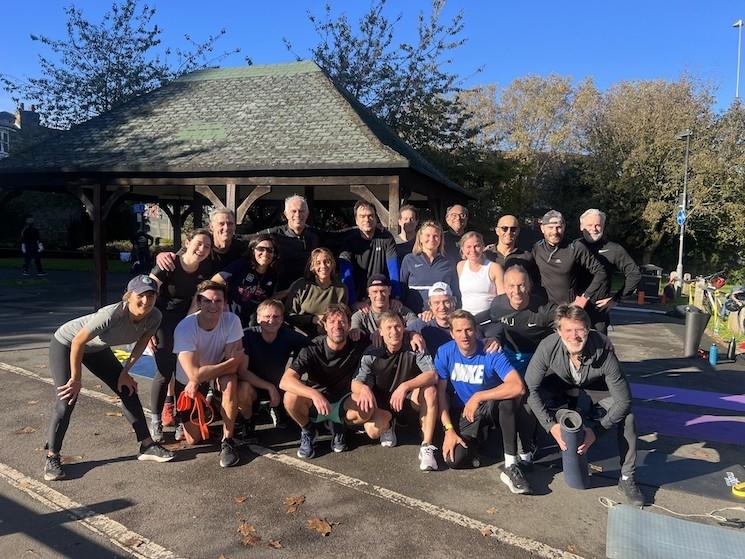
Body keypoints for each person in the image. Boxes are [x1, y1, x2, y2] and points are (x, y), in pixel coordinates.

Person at [44, 275, 174, 481]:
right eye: (141, 295)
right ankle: (52, 456)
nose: (146, 301)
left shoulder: (154, 316)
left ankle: (147, 445)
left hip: (96, 349)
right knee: (67, 399)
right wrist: (76, 379)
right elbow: (78, 342)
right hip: (67, 343)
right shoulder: (111, 314)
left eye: (151, 296)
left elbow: (142, 343)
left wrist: (125, 372)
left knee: (127, 388)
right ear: (129, 297)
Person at [525, 304, 644, 506]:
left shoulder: (604, 350)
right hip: (562, 385)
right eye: (568, 330)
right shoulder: (548, 346)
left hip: (596, 389)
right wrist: (549, 425)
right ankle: (525, 455)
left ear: (588, 329)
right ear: (558, 331)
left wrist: (596, 431)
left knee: (628, 416)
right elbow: (531, 388)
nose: (574, 336)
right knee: (525, 402)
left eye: (579, 329)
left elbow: (624, 400)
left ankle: (626, 478)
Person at [173, 280, 269, 467]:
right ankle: (215, 406)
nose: (213, 305)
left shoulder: (231, 320)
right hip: (187, 381)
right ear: (199, 303)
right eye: (208, 301)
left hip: (218, 373)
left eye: (218, 301)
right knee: (194, 440)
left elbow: (233, 368)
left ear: (225, 303)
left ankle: (228, 440)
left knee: (231, 382)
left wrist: (220, 368)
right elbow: (193, 374)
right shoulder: (185, 328)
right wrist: (230, 362)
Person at [435, 310, 531, 494]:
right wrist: (449, 430)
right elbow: (441, 396)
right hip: (466, 414)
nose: (465, 335)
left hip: (490, 408)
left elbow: (518, 387)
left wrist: (478, 396)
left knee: (508, 399)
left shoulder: (490, 350)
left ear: (476, 330)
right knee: (453, 459)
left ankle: (511, 465)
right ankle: (485, 447)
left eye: (469, 330)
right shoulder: (445, 352)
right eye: (459, 331)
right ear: (452, 333)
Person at [280, 304, 387, 458]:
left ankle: (339, 425)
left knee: (366, 406)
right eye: (332, 321)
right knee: (290, 397)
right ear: (324, 325)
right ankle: (308, 430)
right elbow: (285, 381)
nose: (337, 326)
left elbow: (389, 338)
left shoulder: (357, 342)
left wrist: (411, 335)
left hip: (344, 400)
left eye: (342, 321)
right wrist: (314, 394)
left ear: (349, 325)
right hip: (316, 401)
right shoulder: (312, 347)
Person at [484, 265, 555, 468]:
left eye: (522, 285)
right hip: (508, 359)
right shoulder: (498, 304)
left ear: (529, 286)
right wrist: (493, 337)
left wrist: (597, 336)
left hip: (534, 361)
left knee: (528, 402)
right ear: (504, 287)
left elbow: (570, 321)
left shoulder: (543, 308)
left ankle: (526, 448)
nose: (517, 291)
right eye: (512, 286)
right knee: (507, 402)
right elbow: (489, 322)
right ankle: (510, 459)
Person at [149, 228, 214, 443]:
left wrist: (187, 328)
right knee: (164, 372)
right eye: (199, 243)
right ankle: (156, 420)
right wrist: (147, 330)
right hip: (161, 321)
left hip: (185, 322)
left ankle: (180, 418)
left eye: (207, 246)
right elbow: (147, 293)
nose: (202, 249)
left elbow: (197, 299)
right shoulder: (168, 263)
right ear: (187, 242)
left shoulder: (205, 268)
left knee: (183, 372)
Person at [354, 311, 439, 471]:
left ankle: (427, 446)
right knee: (373, 432)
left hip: (407, 398)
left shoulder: (415, 345)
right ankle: (389, 423)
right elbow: (356, 383)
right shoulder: (371, 353)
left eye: (398, 326)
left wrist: (404, 386)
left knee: (430, 391)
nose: (394, 332)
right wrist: (364, 388)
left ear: (404, 328)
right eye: (389, 328)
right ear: (380, 331)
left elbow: (432, 375)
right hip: (383, 403)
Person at [242, 299, 309, 429]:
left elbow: (311, 346)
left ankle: (280, 410)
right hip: (252, 385)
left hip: (278, 384)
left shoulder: (288, 335)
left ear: (282, 318)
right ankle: (247, 423)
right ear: (258, 317)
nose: (271, 320)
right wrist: (269, 387)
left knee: (297, 385)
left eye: (276, 316)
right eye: (267, 316)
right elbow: (242, 372)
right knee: (242, 390)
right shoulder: (247, 335)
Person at [576, 209, 641, 334]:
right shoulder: (574, 247)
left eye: (598, 225)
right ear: (581, 226)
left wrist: (617, 299)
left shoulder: (614, 249)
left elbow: (634, 274)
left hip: (597, 314)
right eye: (589, 225)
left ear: (603, 226)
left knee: (598, 351)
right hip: (574, 311)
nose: (594, 229)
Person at [532, 210, 607, 307]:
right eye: (550, 227)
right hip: (545, 309)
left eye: (559, 227)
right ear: (542, 228)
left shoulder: (575, 247)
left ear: (564, 227)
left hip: (569, 309)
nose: (555, 232)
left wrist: (585, 297)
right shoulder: (537, 248)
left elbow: (601, 271)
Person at [211, 233, 278, 327]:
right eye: (260, 249)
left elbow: (271, 298)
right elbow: (215, 281)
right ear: (252, 250)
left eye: (270, 250)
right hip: (231, 320)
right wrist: (221, 302)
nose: (265, 253)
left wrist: (290, 290)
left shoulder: (273, 274)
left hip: (256, 324)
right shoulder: (241, 265)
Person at [339, 200, 400, 304]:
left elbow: (394, 270)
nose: (367, 219)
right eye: (362, 216)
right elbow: (346, 273)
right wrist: (353, 302)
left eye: (370, 216)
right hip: (358, 299)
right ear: (356, 220)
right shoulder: (348, 242)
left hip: (381, 297)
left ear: (376, 218)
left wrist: (395, 297)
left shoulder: (386, 238)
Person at [261, 195, 325, 293]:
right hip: (280, 292)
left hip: (310, 292)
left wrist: (357, 227)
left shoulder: (314, 234)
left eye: (301, 211)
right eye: (293, 211)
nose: (298, 215)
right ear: (286, 214)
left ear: (307, 214)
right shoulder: (274, 234)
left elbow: (339, 235)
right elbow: (248, 239)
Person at [156, 208, 248, 274]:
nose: (226, 228)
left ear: (235, 226)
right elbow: (180, 258)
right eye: (221, 224)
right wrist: (161, 256)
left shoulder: (241, 244)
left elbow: (260, 237)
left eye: (230, 223)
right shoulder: (202, 243)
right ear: (211, 226)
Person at [285, 248, 348, 337]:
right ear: (312, 267)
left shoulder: (341, 289)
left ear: (333, 264)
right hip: (300, 335)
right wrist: (312, 319)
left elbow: (342, 316)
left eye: (327, 262)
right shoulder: (301, 285)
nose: (323, 266)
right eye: (318, 263)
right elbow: (288, 316)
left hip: (328, 337)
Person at [400, 221, 460, 313]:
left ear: (440, 239)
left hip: (441, 315)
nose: (431, 239)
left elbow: (455, 291)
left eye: (436, 236)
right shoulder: (409, 260)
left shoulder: (449, 261)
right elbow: (402, 289)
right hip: (415, 315)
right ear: (420, 238)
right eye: (427, 235)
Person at [350, 274, 419, 339]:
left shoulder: (402, 311)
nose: (379, 296)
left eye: (383, 291)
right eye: (375, 292)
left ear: (389, 291)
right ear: (368, 293)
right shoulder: (360, 315)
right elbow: (355, 329)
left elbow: (415, 326)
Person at [485, 215, 541, 293]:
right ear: (497, 231)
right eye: (504, 228)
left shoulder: (526, 257)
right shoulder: (486, 255)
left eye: (513, 229)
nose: (509, 232)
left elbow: (534, 284)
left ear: (518, 231)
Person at [457, 231, 503, 321]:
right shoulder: (460, 266)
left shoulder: (494, 268)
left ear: (483, 247)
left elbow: (503, 299)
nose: (472, 250)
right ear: (462, 249)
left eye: (476, 246)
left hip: (489, 319)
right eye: (468, 247)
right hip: (466, 320)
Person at [408, 283, 459, 355]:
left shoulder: (461, 323)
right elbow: (403, 333)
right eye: (436, 303)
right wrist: (412, 335)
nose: (442, 307)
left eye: (446, 302)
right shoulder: (424, 321)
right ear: (430, 305)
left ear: (453, 302)